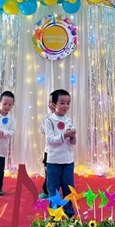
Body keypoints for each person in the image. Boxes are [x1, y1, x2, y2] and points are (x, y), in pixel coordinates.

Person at [44, 89, 76, 217]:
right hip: (54, 161)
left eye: (68, 103)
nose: (66, 106)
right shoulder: (49, 121)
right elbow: (50, 140)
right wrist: (64, 136)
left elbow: (70, 141)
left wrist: (73, 139)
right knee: (54, 190)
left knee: (69, 189)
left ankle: (69, 214)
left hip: (68, 161)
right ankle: (55, 215)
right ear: (54, 105)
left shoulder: (69, 120)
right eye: (62, 103)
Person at [39, 97, 56, 199]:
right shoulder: (46, 117)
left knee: (57, 172)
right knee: (48, 171)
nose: (51, 105)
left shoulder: (65, 118)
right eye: (49, 102)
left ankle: (55, 191)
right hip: (48, 150)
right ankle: (47, 191)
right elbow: (42, 130)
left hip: (59, 151)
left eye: (53, 102)